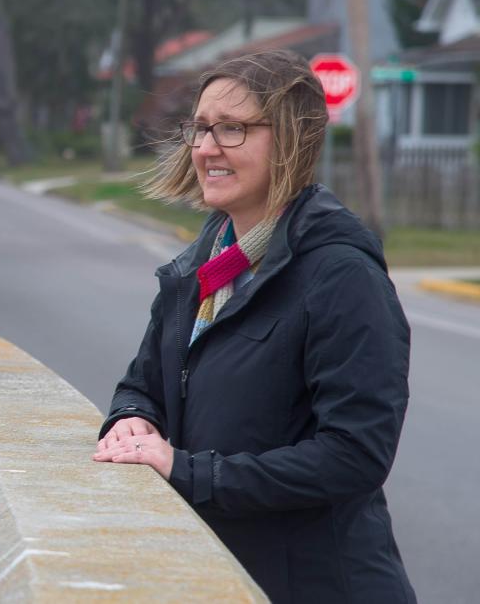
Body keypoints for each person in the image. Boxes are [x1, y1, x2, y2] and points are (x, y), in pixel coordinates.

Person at [92, 50, 416, 604]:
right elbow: (143, 381)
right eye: (199, 128)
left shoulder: (342, 275)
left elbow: (355, 455)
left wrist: (192, 472)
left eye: (233, 129)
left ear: (291, 139)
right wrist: (132, 419)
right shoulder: (206, 263)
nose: (206, 147)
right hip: (226, 576)